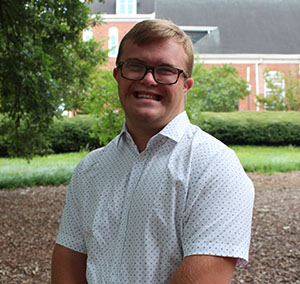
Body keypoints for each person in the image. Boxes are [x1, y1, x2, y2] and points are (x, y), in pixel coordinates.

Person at [51, 19, 254, 284]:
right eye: (135, 66)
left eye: (166, 70)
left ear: (186, 85)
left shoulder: (214, 166)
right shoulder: (90, 169)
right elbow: (69, 261)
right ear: (117, 75)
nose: (148, 79)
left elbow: (203, 278)